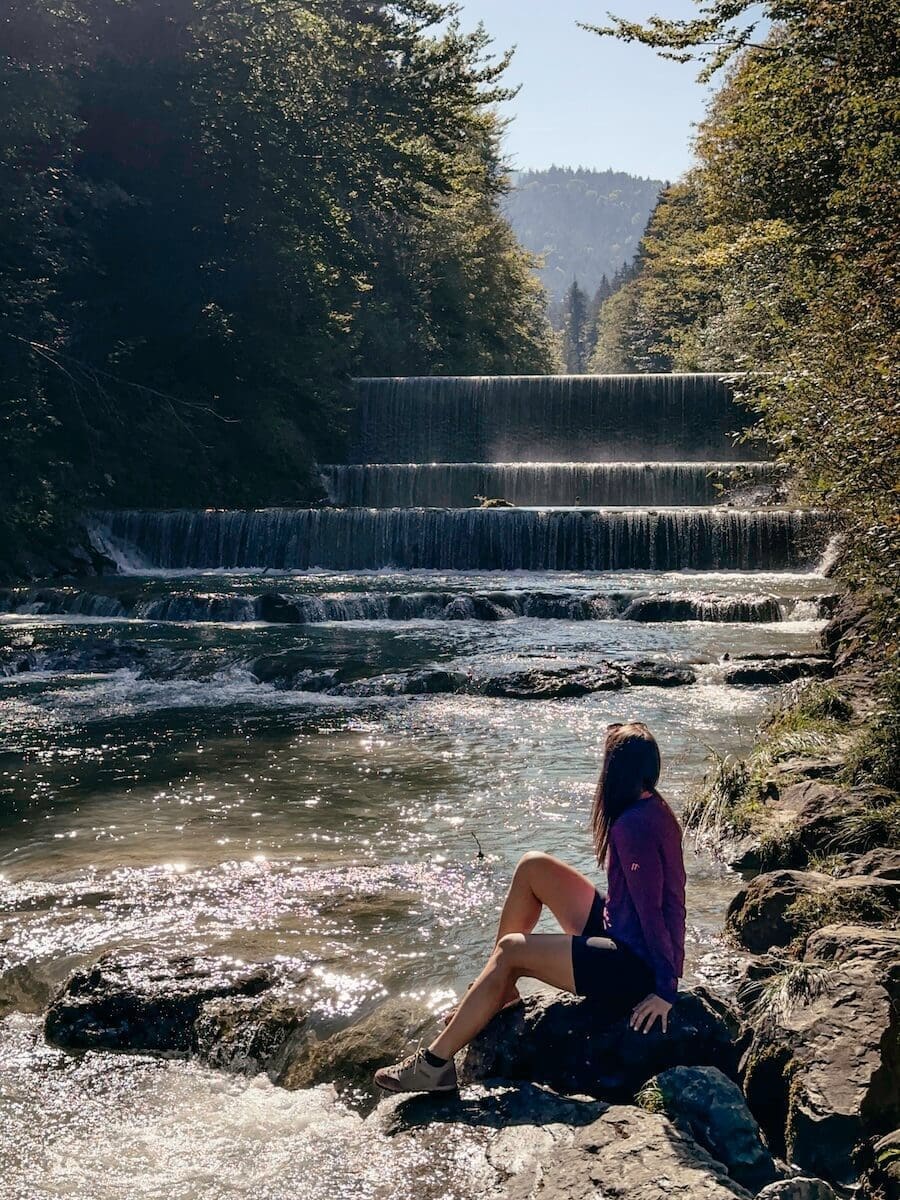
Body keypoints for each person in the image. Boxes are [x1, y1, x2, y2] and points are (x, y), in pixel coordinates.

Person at [374, 721, 686, 1094]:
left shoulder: (632, 826)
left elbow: (659, 910)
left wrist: (666, 988)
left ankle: (434, 1066)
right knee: (532, 867)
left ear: (614, 772)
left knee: (512, 951)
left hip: (630, 967)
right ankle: (500, 988)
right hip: (618, 931)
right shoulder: (651, 805)